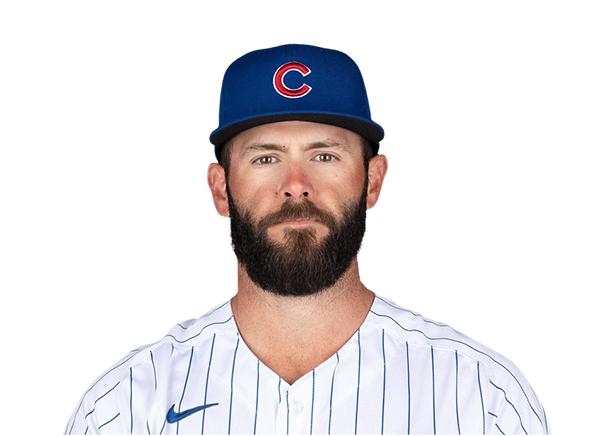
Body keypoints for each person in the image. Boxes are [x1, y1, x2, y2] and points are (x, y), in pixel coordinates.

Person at [65, 44, 550, 435]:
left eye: (324, 156)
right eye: (265, 158)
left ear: (373, 182)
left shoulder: (480, 398)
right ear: (220, 190)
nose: (296, 184)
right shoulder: (127, 406)